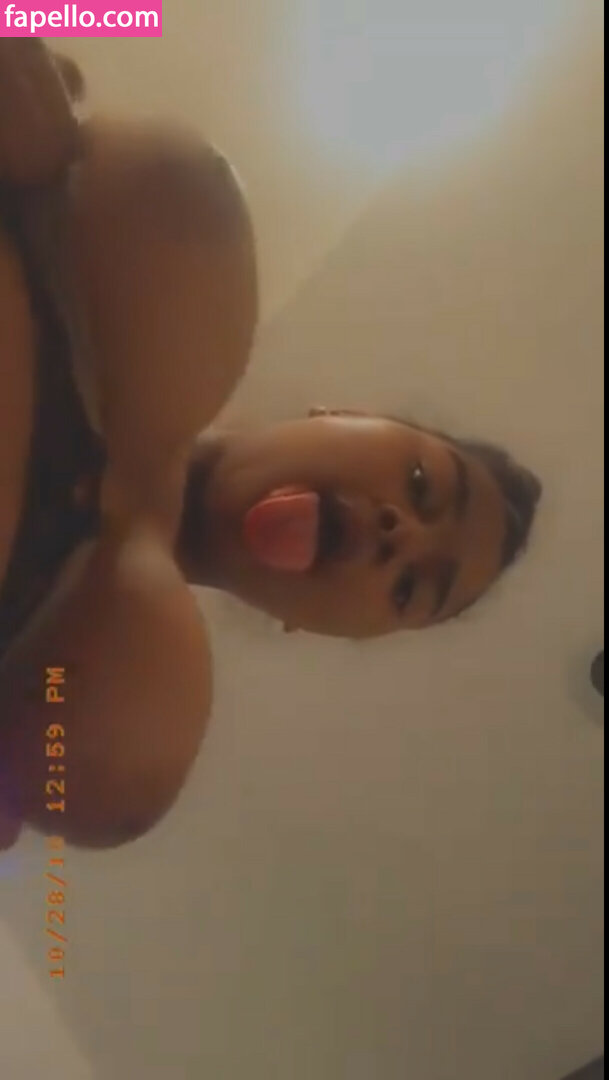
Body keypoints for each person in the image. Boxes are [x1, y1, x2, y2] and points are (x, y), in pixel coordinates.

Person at [0, 42, 541, 852]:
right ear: (343, 414)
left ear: (311, 628)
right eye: (421, 481)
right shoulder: (132, 282)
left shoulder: (61, 686)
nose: (399, 535)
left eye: (408, 589)